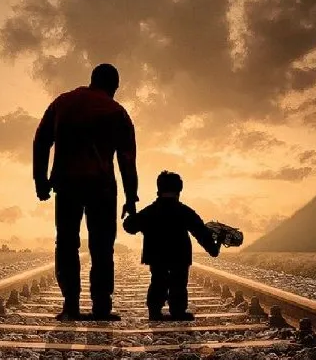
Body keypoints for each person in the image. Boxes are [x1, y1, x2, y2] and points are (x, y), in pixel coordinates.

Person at [33, 63, 139, 321]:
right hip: (102, 187)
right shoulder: (117, 111)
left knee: (67, 243)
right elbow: (127, 159)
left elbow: (41, 140)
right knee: (102, 246)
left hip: (67, 184)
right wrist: (130, 197)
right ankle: (101, 306)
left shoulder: (62, 103)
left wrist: (41, 181)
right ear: (114, 86)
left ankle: (70, 305)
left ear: (92, 80)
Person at [123, 170, 223, 321]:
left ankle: (154, 312)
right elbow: (202, 233)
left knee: (157, 280)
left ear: (159, 189)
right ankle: (178, 311)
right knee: (179, 283)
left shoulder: (150, 211)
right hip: (180, 255)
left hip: (156, 255)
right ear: (179, 190)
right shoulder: (185, 211)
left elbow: (129, 227)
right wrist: (216, 246)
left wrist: (131, 213)